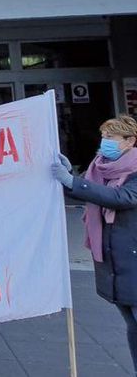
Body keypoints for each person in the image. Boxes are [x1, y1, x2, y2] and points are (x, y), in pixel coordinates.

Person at [52, 116, 137, 370]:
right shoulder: (100, 167)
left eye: (112, 138)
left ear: (130, 141)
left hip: (131, 259)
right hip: (115, 263)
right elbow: (92, 191)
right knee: (132, 323)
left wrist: (73, 182)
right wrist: (69, 178)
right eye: (104, 136)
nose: (105, 142)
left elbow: (121, 197)